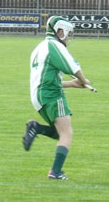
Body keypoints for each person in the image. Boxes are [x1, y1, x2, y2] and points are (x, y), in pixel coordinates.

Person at [23, 15, 91, 180]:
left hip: (38, 95)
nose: (68, 37)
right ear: (59, 31)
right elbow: (73, 67)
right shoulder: (55, 46)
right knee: (67, 133)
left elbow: (46, 79)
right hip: (51, 95)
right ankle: (55, 172)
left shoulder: (40, 47)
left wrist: (72, 84)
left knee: (60, 132)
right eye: (67, 33)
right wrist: (83, 81)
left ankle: (36, 128)